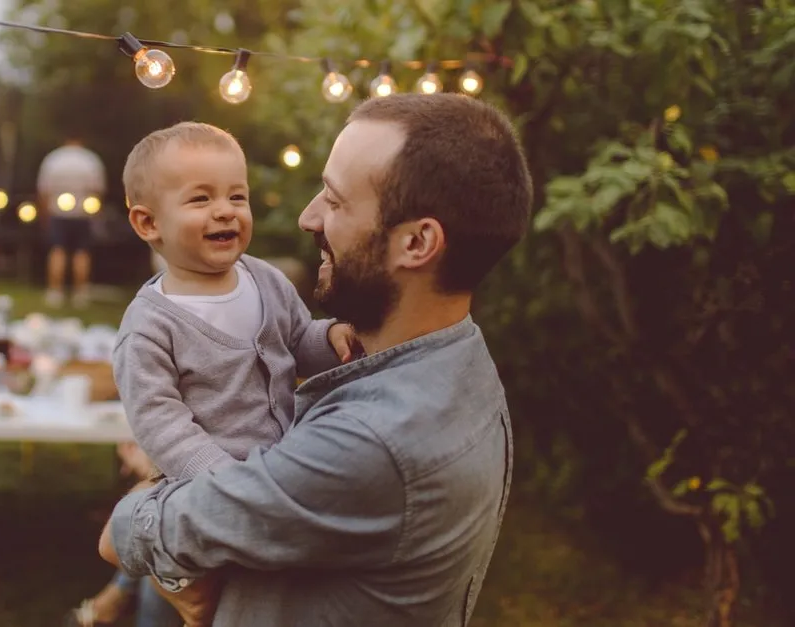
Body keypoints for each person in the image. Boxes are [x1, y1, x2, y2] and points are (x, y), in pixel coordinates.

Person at [98, 93, 533, 627]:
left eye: (335, 200)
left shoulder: (371, 442)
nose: (308, 217)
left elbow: (122, 536)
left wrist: (139, 510)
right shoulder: (460, 360)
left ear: (417, 242)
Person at [64, 122, 357, 627]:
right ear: (148, 223)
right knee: (192, 599)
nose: (225, 210)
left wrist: (330, 339)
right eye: (201, 199)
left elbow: (297, 341)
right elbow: (160, 422)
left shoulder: (265, 280)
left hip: (275, 476)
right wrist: (220, 477)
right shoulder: (150, 326)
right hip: (205, 489)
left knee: (257, 593)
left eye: (237, 196)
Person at [37, 138, 107, 309]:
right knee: (82, 252)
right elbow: (98, 191)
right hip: (83, 213)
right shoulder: (90, 160)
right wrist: (96, 215)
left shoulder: (53, 159)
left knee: (57, 250)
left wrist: (44, 215)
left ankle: (55, 292)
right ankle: (80, 293)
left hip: (58, 212)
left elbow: (44, 191)